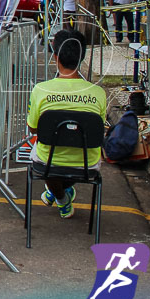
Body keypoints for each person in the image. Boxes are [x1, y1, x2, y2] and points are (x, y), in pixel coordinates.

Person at [26, 28, 107, 219]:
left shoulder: (41, 90)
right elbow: (96, 131)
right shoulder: (98, 93)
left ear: (55, 57)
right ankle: (61, 195)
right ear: (83, 57)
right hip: (88, 164)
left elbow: (33, 128)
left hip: (48, 161)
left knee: (44, 155)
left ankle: (59, 196)